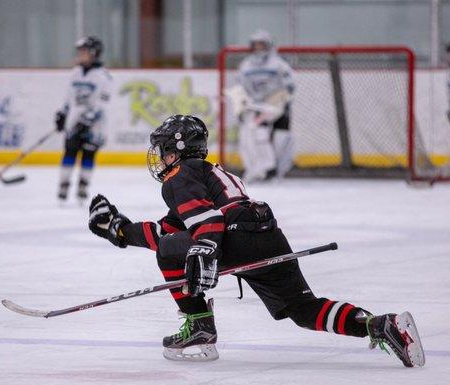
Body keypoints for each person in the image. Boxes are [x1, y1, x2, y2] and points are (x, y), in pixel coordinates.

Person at [87, 114, 425, 366]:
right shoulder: (211, 173)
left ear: (177, 150)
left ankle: (199, 327)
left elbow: (206, 223)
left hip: (231, 236)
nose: (160, 158)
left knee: (166, 254)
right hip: (265, 233)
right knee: (303, 309)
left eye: (162, 151)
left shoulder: (179, 177)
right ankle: (381, 325)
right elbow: (174, 230)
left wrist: (205, 249)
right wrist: (120, 230)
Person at [54, 36, 112, 203]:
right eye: (79, 51)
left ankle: (83, 186)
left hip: (95, 126)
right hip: (74, 121)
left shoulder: (103, 77)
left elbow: (103, 104)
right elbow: (68, 99)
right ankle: (63, 185)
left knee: (88, 154)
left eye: (84, 51)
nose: (80, 54)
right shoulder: (75, 73)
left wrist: (88, 120)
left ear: (94, 53)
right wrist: (62, 114)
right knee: (70, 151)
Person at [235, 29, 295, 182]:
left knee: (281, 138)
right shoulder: (246, 65)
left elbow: (289, 85)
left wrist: (284, 103)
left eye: (261, 44)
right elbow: (239, 88)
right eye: (255, 45)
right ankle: (267, 168)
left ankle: (277, 169)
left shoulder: (279, 64)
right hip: (258, 107)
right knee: (258, 134)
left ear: (268, 45)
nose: (258, 48)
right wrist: (242, 106)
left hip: (276, 105)